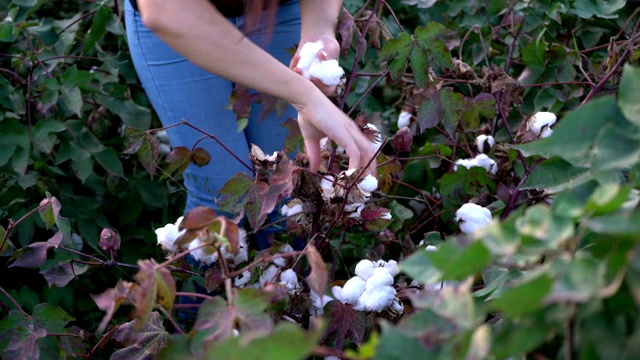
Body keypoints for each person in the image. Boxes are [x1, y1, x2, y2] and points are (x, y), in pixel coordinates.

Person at [124, 0, 376, 216]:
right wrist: (305, 96)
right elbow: (165, 9)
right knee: (220, 197)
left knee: (284, 187)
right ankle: (208, 271)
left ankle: (283, 267)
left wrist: (319, 32)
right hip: (180, 17)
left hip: (277, 11)